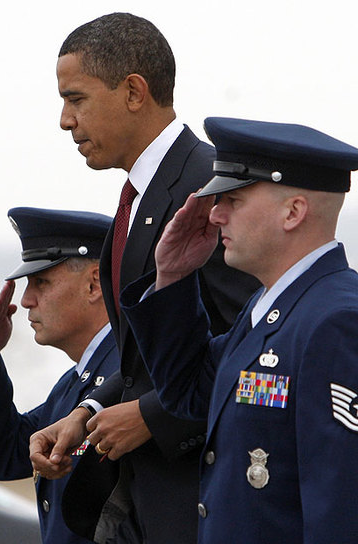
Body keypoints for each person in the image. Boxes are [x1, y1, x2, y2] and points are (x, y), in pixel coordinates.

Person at [29, 14, 260, 544]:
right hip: (145, 502)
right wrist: (88, 411)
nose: (66, 120)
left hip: (199, 499)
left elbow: (252, 343)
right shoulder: (140, 196)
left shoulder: (204, 188)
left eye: (77, 99)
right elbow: (145, 361)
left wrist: (153, 418)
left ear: (134, 91)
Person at [120, 116, 358, 543]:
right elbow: (188, 392)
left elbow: (341, 506)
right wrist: (172, 276)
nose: (216, 214)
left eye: (235, 199)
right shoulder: (270, 307)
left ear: (293, 212)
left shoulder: (336, 320)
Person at [0, 207, 120, 544]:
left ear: (93, 284)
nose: (27, 299)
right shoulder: (76, 381)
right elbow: (4, 455)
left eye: (41, 281)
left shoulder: (130, 374)